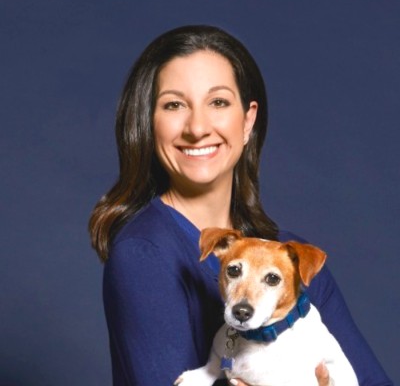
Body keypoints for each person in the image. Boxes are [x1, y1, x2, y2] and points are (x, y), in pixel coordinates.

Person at [89, 25, 392, 386]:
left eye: (218, 102)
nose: (197, 127)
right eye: (174, 105)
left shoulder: (295, 260)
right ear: (148, 123)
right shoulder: (144, 254)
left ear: (248, 121)